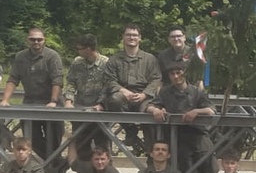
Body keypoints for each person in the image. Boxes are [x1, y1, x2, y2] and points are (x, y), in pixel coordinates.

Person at [148, 59, 216, 173]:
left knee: (210, 169)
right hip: (178, 137)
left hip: (198, 134)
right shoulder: (166, 92)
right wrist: (156, 110)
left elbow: (211, 110)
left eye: (178, 72)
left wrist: (196, 111)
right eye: (172, 74)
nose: (176, 76)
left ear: (185, 74)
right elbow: (151, 106)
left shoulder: (196, 92)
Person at [0, 28, 64, 160]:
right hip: (30, 102)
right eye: (33, 39)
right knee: (31, 138)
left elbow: (57, 81)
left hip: (51, 102)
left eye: (39, 39)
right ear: (27, 40)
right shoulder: (20, 57)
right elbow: (13, 79)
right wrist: (5, 100)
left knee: (54, 140)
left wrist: (53, 101)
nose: (36, 42)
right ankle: (54, 163)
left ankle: (54, 164)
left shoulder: (52, 56)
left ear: (44, 40)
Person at [103, 23, 162, 154]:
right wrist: (124, 91)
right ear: (122, 37)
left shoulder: (150, 59)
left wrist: (144, 94)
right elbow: (109, 80)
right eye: (128, 35)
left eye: (135, 35)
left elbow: (156, 79)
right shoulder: (114, 60)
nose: (132, 37)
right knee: (114, 99)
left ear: (140, 38)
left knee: (151, 112)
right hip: (123, 96)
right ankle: (131, 132)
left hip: (145, 98)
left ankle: (151, 152)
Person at [64, 33, 110, 161]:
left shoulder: (106, 63)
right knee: (81, 145)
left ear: (88, 49)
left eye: (79, 48)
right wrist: (68, 100)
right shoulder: (77, 62)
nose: (77, 51)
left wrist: (101, 103)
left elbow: (109, 87)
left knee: (102, 147)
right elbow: (71, 82)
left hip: (99, 112)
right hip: (80, 109)